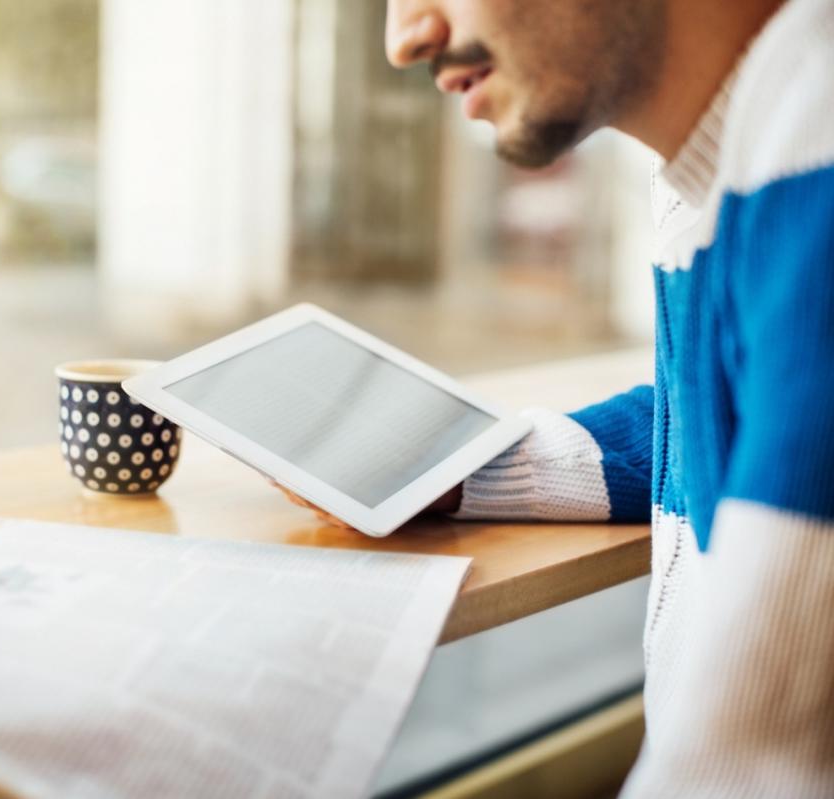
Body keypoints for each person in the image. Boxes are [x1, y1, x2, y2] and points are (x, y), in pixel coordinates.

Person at [285, 0, 834, 794]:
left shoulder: (814, 170)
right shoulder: (735, 158)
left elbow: (749, 771)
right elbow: (727, 411)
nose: (405, 37)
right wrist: (468, 469)